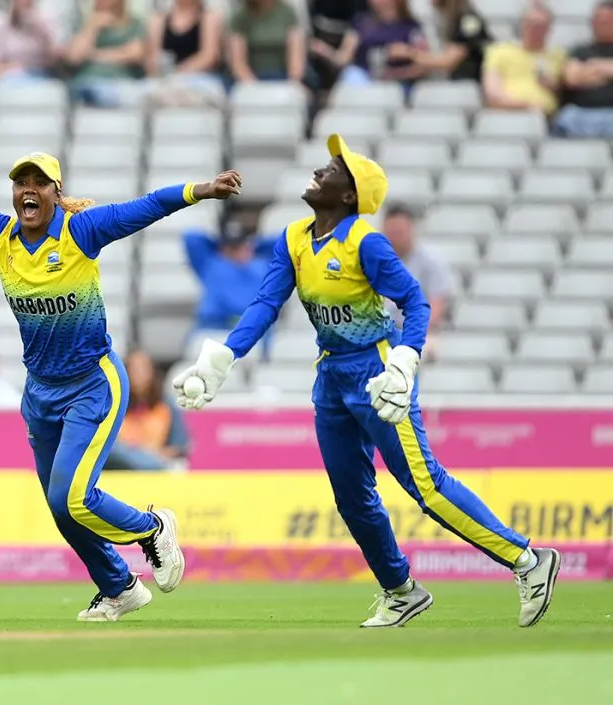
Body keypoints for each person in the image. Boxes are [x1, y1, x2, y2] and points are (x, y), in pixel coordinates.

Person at [171, 133, 561, 629]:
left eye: (333, 169)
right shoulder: (293, 238)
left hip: (378, 373)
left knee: (425, 485)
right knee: (351, 497)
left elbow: (416, 301)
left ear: (350, 195)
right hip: (331, 375)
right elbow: (266, 305)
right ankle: (400, 590)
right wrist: (224, 356)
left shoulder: (366, 242)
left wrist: (405, 360)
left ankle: (529, 560)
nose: (320, 171)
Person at [0, 102, 240, 621]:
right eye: (20, 182)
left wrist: (201, 190)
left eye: (39, 182)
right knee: (61, 507)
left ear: (56, 194)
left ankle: (153, 529)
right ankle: (119, 587)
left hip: (92, 384)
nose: (27, 189)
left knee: (75, 496)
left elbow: (147, 205)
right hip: (40, 392)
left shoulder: (81, 233)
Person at [183, 221, 272, 349]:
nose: (235, 252)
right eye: (230, 247)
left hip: (251, 327)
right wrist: (217, 245)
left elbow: (286, 243)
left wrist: (256, 245)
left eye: (239, 246)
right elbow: (190, 236)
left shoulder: (263, 264)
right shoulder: (210, 262)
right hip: (213, 325)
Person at [380, 204, 451, 358]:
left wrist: (411, 335)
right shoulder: (373, 261)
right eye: (390, 233)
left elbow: (437, 305)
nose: (394, 238)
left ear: (411, 230)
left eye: (399, 232)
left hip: (421, 331)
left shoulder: (431, 262)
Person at [105, 349, 190, 471]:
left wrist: (154, 457)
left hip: (154, 469)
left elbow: (178, 446)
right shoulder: (114, 405)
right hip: (121, 468)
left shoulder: (167, 406)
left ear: (152, 372)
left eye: (143, 368)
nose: (138, 374)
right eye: (133, 369)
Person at [318, 0, 428, 91]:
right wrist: (325, 51)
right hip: (364, 80)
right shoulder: (361, 24)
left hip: (400, 85)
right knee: (351, 74)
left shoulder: (412, 28)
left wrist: (402, 65)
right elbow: (343, 58)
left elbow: (423, 66)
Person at [482, 3, 564, 114]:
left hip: (548, 120)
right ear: (522, 25)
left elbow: (565, 93)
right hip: (508, 114)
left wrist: (554, 86)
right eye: (531, 25)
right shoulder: (499, 51)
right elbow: (492, 94)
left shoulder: (557, 56)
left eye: (541, 26)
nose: (536, 30)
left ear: (549, 29)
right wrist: (527, 106)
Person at [64, 0, 148, 108]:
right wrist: (92, 27)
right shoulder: (83, 23)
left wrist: (92, 54)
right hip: (87, 82)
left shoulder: (135, 25)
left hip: (123, 85)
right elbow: (74, 57)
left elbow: (134, 54)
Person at [145, 0, 225, 107]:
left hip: (199, 79)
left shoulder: (210, 17)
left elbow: (209, 57)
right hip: (166, 81)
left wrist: (178, 73)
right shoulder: (158, 20)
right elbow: (152, 59)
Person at [555, 0, 613, 139]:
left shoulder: (585, 58)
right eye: (598, 20)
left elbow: (580, 74)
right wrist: (607, 71)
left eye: (607, 20)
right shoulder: (580, 50)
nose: (602, 24)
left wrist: (592, 67)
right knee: (565, 118)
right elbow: (572, 78)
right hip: (580, 113)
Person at [403, 0, 492, 83]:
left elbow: (448, 61)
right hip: (462, 82)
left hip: (476, 83)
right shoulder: (452, 20)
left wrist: (409, 53)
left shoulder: (467, 20)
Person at [228, 0, 306, 87]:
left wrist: (292, 83)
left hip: (283, 76)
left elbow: (296, 56)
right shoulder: (240, 16)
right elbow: (238, 63)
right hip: (251, 79)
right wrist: (255, 87)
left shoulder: (287, 13)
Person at [0, 0, 62, 83]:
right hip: (12, 78)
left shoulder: (46, 19)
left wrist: (40, 27)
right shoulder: (0, 23)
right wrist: (13, 70)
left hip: (41, 75)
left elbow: (57, 58)